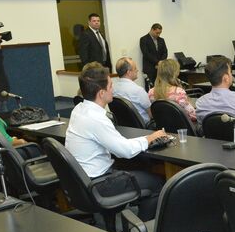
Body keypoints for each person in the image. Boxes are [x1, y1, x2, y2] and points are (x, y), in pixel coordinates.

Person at [65, 64, 166, 221]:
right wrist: (150, 138)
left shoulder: (79, 109)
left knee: (135, 170)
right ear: (101, 93)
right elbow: (125, 151)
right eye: (111, 86)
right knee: (158, 183)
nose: (113, 89)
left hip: (81, 181)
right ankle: (141, 230)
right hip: (99, 184)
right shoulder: (96, 118)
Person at [112, 57, 151, 125]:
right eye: (135, 68)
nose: (137, 70)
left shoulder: (112, 89)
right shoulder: (138, 90)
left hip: (123, 127)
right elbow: (151, 113)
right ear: (128, 72)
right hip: (144, 127)